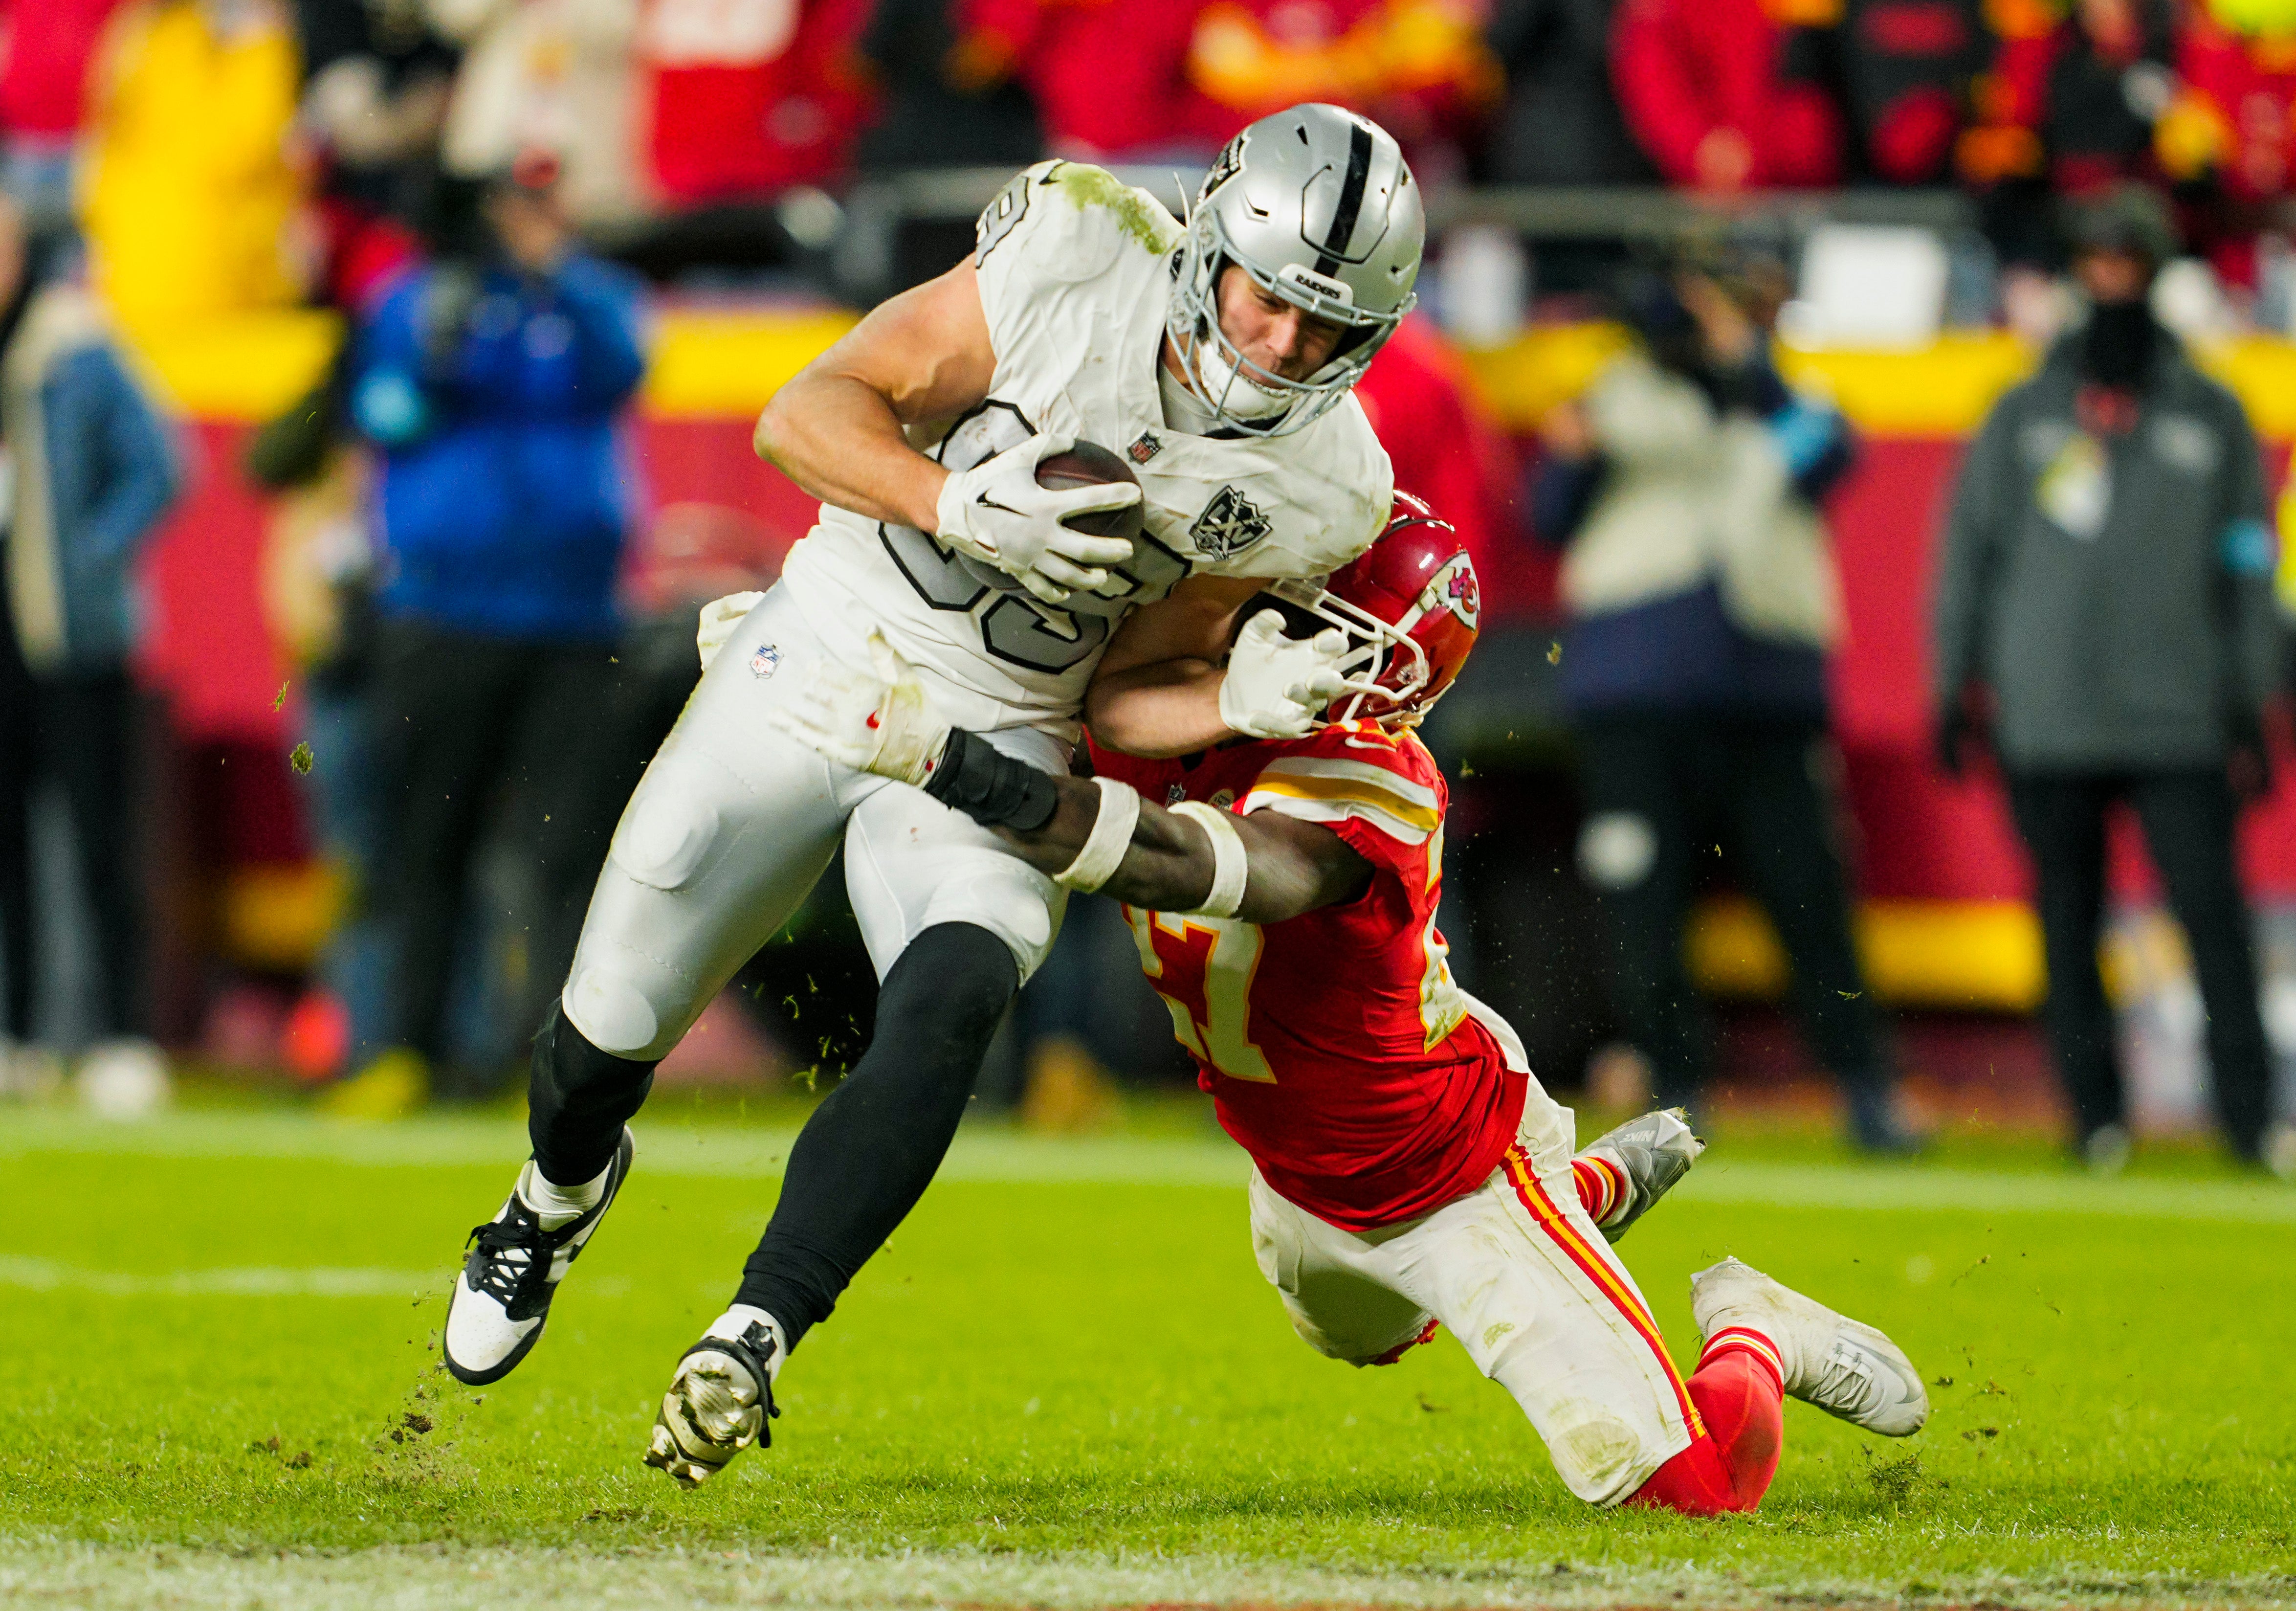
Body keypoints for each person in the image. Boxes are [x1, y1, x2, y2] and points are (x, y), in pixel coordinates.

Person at [437, 106, 1425, 1459]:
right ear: (1212, 246)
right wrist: (949, 500)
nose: (1285, 348)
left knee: (958, 991)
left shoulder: (1325, 478)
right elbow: (806, 413)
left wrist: (1233, 696)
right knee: (608, 1019)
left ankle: (757, 1330)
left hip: (1010, 729)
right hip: (830, 646)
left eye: (1329, 329)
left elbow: (1128, 694)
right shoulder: (1082, 253)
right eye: (1272, 301)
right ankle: (553, 1196)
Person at [737, 499, 1931, 1508]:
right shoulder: (1170, 703)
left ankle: (1748, 1324)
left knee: (1687, 1486)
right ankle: (1583, 1191)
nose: (1272, 622)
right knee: (1361, 1336)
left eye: (1322, 623)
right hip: (1299, 1178)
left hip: (1447, 1174)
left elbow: (1196, 867)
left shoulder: (1371, 781)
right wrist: (801, 655)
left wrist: (935, 754)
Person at [1933, 184, 2290, 1175]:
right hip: (2047, 714)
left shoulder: (2209, 414)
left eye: (2126, 264)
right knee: (2064, 921)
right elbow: (1967, 554)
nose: (2110, 281)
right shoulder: (2021, 412)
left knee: (2213, 924)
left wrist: (2254, 700)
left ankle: (2249, 1121)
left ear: (2154, 273)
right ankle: (2093, 1120)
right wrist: (1952, 681)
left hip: (2177, 714)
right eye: (2094, 264)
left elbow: (2247, 569)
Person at [1535, 258, 1919, 1153]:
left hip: (1765, 687)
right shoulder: (1610, 398)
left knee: (1808, 896)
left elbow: (1832, 454)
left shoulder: (1789, 395)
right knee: (1643, 899)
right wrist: (1585, 440)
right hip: (1635, 688)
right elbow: (1551, 514)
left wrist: (1740, 361)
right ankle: (1674, 1095)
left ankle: (1864, 1086)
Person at [333, 152, 647, 1111]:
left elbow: (624, 369)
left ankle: (551, 1058)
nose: (534, 220)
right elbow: (384, 411)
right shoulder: (415, 298)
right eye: (521, 202)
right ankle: (405, 1046)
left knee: (567, 848)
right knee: (428, 842)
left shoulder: (594, 298)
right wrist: (439, 345)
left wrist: (558, 281)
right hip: (445, 608)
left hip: (573, 611)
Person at [0, 198, 181, 1098]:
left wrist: (92, 556)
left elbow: (158, 465)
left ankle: (120, 1036)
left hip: (71, 636)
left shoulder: (73, 345)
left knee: (100, 839)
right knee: (8, 854)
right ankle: (17, 1034)